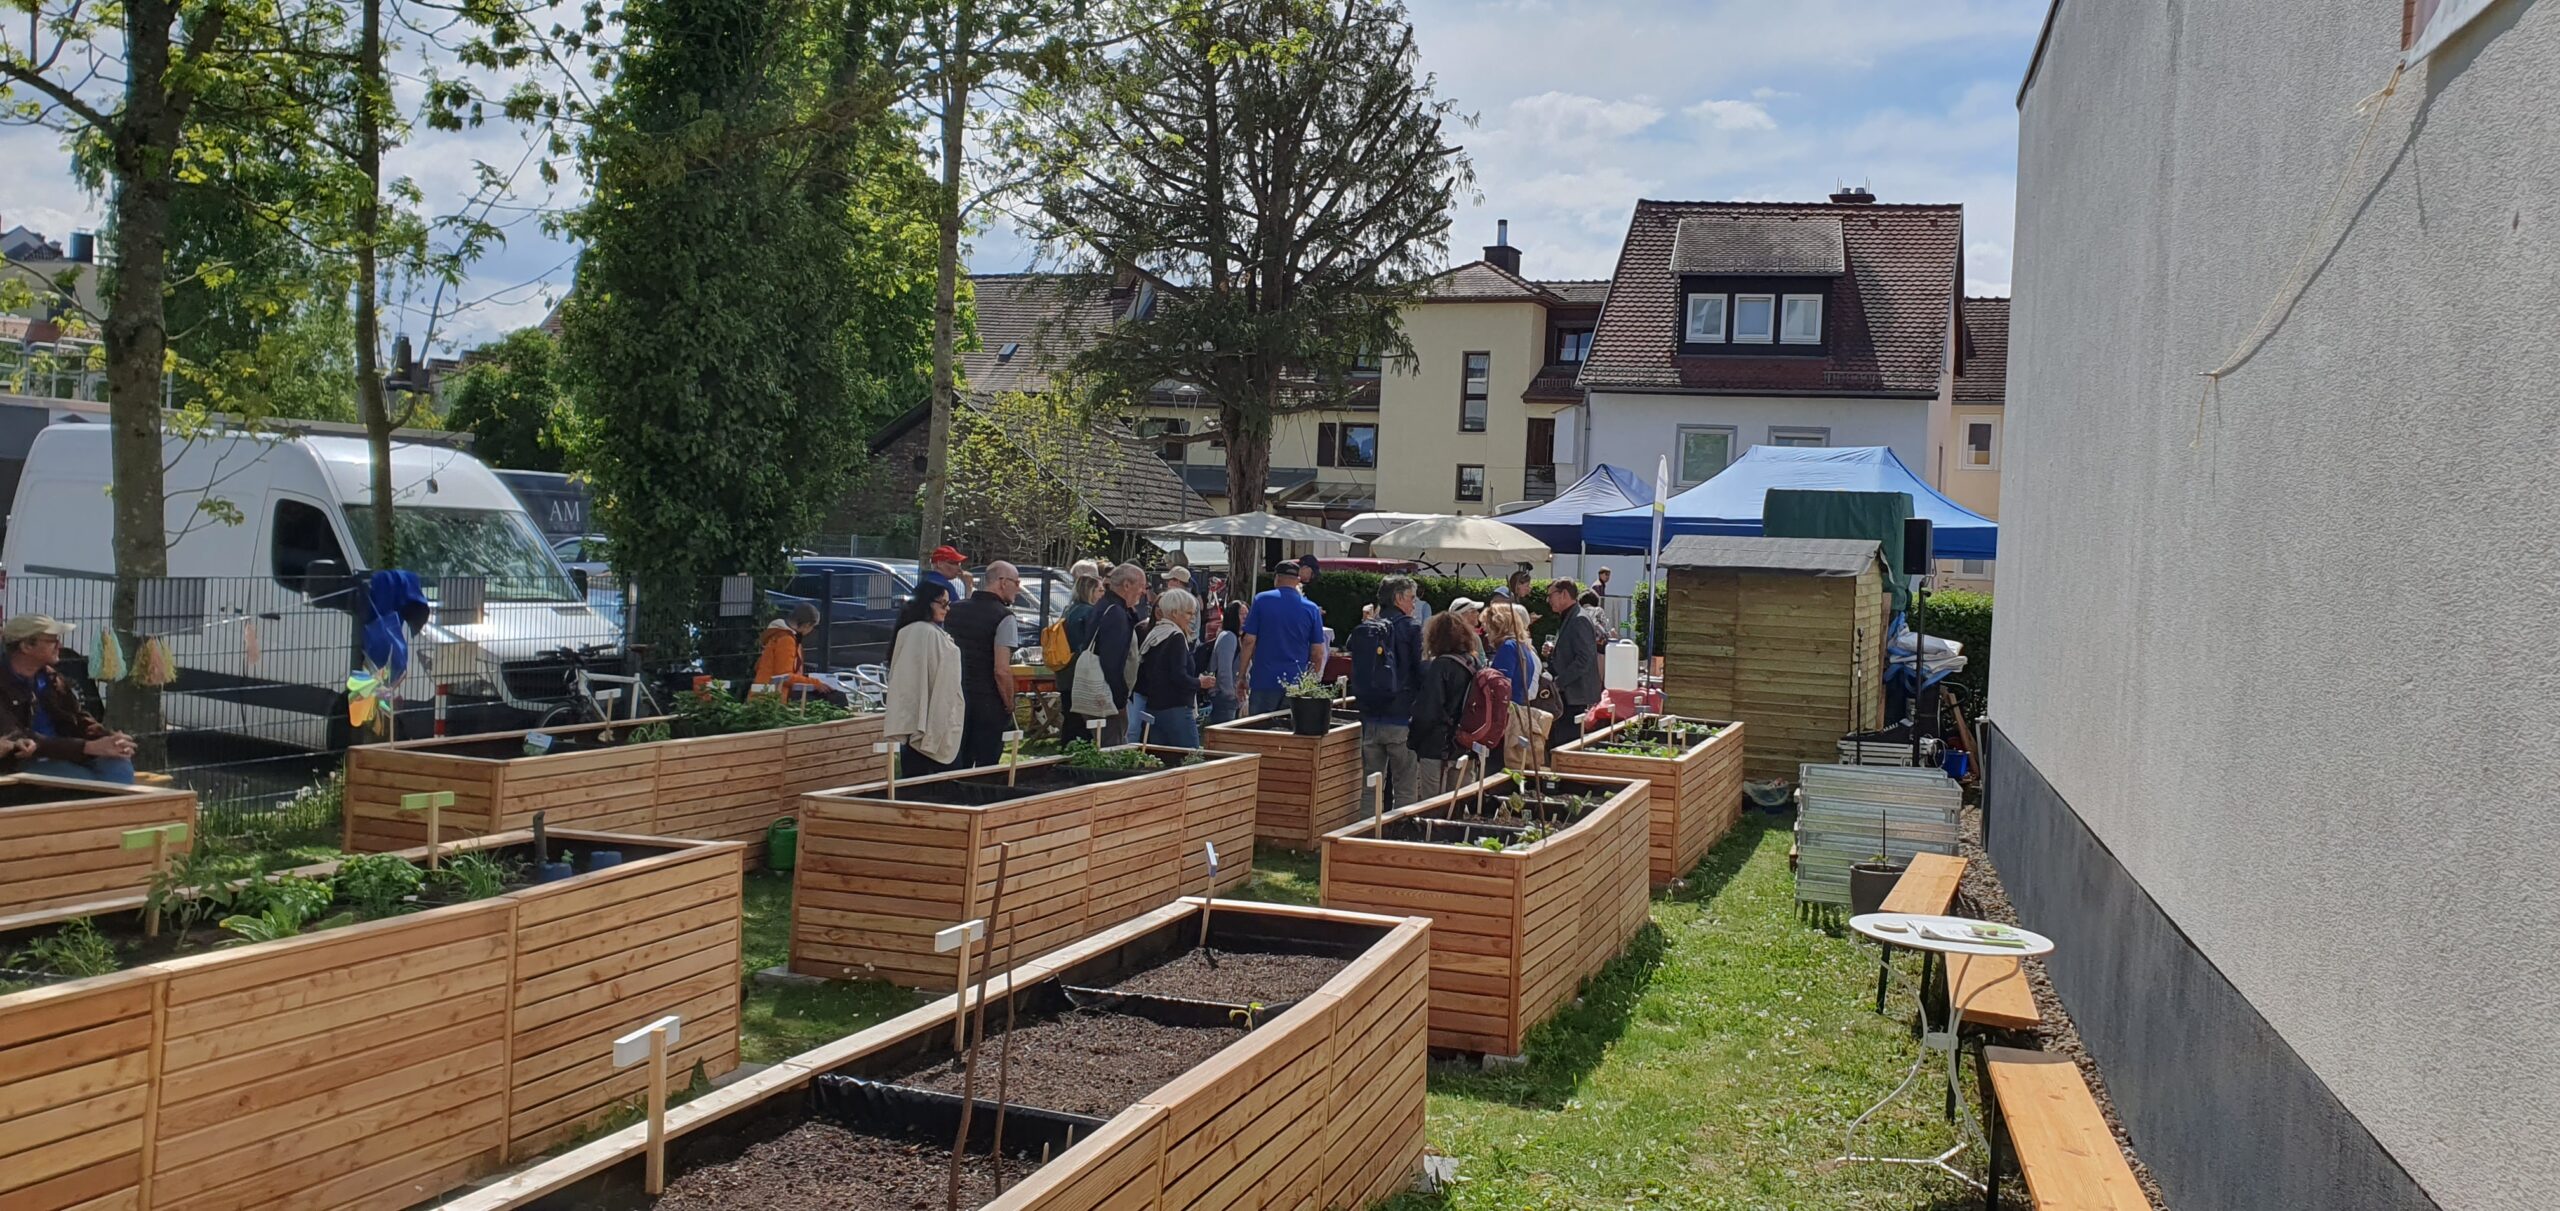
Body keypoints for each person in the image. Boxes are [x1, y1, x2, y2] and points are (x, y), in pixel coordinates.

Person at [0, 615, 136, 783]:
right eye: (53, 641)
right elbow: (15, 736)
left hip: (69, 754)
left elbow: (77, 717)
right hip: (24, 762)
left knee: (118, 765)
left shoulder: (50, 677)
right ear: (26, 646)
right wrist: (87, 747)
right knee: (87, 782)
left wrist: (108, 738)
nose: (60, 646)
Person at [1352, 575, 1424, 808]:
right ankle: (1399, 840)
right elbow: (1421, 671)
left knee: (1370, 789)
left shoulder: (1366, 629)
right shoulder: (1412, 628)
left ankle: (1364, 838)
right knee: (1405, 788)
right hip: (1402, 718)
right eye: (1412, 598)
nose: (1414, 604)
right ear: (1398, 598)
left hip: (1370, 719)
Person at [945, 561, 1023, 769]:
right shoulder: (1005, 617)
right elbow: (1001, 670)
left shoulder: (954, 609)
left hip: (954, 695)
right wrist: (1009, 702)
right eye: (1016, 582)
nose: (1019, 587)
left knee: (956, 758)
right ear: (1002, 582)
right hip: (987, 700)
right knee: (986, 764)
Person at [882, 582, 963, 775]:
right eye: (943, 603)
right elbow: (935, 682)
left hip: (921, 723)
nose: (947, 608)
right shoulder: (924, 633)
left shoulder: (914, 631)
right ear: (928, 603)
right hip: (927, 723)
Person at [1408, 611, 1483, 797]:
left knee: (1432, 807)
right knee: (1458, 805)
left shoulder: (1440, 666)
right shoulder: (1474, 662)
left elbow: (1428, 712)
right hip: (1465, 746)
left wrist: (1414, 742)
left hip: (1437, 748)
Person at [1239, 560, 1327, 715]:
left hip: (1263, 680)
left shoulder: (1261, 600)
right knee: (1289, 733)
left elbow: (1248, 641)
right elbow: (1318, 653)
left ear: (1276, 578)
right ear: (1298, 580)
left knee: (1258, 732)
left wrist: (1241, 676)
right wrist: (1309, 683)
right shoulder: (1312, 609)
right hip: (1295, 683)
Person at [1069, 563, 1144, 745]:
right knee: (1112, 749)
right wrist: (1119, 701)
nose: (1142, 592)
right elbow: (1112, 662)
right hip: (1106, 698)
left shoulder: (1106, 605)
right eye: (1141, 586)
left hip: (1099, 693)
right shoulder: (1115, 613)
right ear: (1126, 585)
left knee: (1103, 744)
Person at [1132, 588, 1212, 748]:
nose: (1192, 618)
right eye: (1189, 613)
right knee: (1191, 761)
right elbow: (1178, 676)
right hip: (1177, 709)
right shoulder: (1175, 637)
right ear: (1175, 613)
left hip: (1154, 708)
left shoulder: (1155, 634)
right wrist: (1200, 683)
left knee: (1161, 763)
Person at [1546, 578, 1605, 751]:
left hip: (1574, 696)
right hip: (1570, 694)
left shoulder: (1578, 618)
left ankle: (1566, 778)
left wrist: (1558, 682)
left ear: (1564, 594)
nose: (1548, 600)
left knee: (1566, 746)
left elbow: (1584, 659)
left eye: (1551, 595)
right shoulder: (1571, 616)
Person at [750, 603, 835, 700]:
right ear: (807, 625)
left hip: (765, 694)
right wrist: (815, 683)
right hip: (771, 698)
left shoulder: (780, 636)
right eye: (813, 627)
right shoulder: (786, 640)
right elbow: (784, 676)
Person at [1199, 601, 1242, 726]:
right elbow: (1224, 671)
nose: (1245, 618)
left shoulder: (1237, 638)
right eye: (1241, 614)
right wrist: (1231, 695)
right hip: (1224, 698)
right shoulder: (1229, 636)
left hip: (1226, 697)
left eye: (1247, 614)